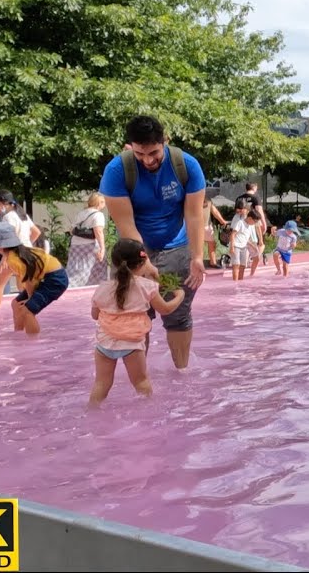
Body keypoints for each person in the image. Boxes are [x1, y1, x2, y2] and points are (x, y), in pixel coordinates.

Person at [99, 115, 207, 370]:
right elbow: (126, 226)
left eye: (154, 153)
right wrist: (142, 262)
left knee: (178, 315)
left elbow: (194, 215)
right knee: (133, 314)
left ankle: (182, 373)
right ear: (130, 147)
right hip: (132, 250)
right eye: (140, 154)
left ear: (165, 142)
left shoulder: (187, 165)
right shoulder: (116, 170)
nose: (147, 160)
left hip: (177, 249)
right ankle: (140, 379)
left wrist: (197, 257)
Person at [88, 239, 186, 408]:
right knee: (141, 383)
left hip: (105, 344)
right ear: (142, 263)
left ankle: (91, 412)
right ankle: (149, 414)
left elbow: (95, 316)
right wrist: (180, 296)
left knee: (101, 384)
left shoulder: (102, 288)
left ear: (114, 263)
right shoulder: (147, 287)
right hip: (131, 344)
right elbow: (165, 309)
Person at [0, 221, 69, 336]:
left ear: (1, 245)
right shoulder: (18, 253)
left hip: (55, 280)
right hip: (46, 277)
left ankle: (32, 343)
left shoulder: (15, 259)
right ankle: (18, 334)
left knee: (27, 310)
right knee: (16, 303)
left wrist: (31, 299)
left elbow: (29, 282)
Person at [66, 192, 108, 287]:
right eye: (103, 202)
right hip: (90, 245)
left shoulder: (81, 213)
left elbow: (71, 230)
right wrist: (102, 248)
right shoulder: (98, 215)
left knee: (74, 268)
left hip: (75, 245)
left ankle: (67, 284)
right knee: (96, 268)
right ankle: (94, 288)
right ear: (99, 203)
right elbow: (98, 232)